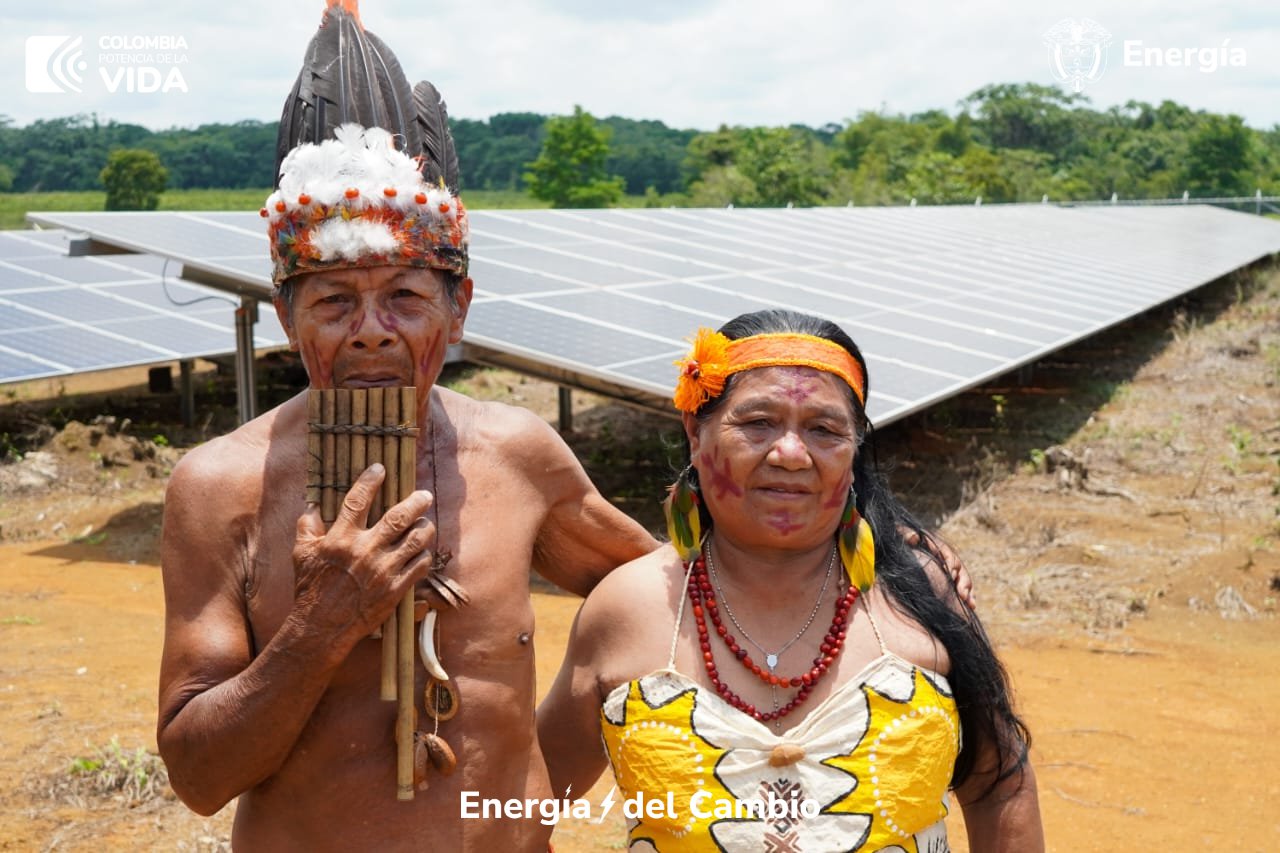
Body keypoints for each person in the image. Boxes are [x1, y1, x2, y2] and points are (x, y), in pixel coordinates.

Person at [155, 4, 658, 849]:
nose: (373, 330)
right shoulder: (218, 487)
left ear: (458, 309)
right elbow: (199, 779)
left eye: (406, 297)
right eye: (335, 301)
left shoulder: (520, 455)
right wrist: (323, 625)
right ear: (286, 317)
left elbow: (670, 593)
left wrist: (887, 566)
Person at [538, 309, 1044, 852]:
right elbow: (522, 802)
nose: (790, 454)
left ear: (855, 452)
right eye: (757, 423)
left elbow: (999, 785)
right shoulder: (628, 606)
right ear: (695, 432)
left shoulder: (919, 593)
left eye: (825, 430)